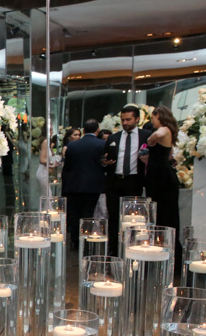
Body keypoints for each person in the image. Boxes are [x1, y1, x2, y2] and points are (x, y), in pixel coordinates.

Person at [102, 105, 151, 254]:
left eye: (128, 119)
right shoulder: (114, 138)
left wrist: (147, 161)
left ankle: (132, 248)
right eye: (123, 120)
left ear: (137, 119)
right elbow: (104, 156)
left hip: (134, 180)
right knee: (113, 217)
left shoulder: (146, 136)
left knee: (133, 218)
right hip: (115, 181)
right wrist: (105, 162)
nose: (125, 123)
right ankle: (113, 251)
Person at [142, 105, 182, 267]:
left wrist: (150, 141)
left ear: (158, 116)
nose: (152, 121)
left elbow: (156, 136)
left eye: (153, 118)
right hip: (159, 175)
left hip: (161, 177)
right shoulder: (169, 131)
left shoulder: (164, 129)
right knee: (163, 214)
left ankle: (166, 253)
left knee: (163, 214)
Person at [61, 119, 106, 249]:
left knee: (75, 213)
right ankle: (86, 239)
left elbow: (67, 166)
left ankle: (74, 240)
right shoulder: (102, 144)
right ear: (97, 130)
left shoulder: (72, 146)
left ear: (84, 130)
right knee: (88, 213)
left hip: (74, 185)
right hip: (93, 185)